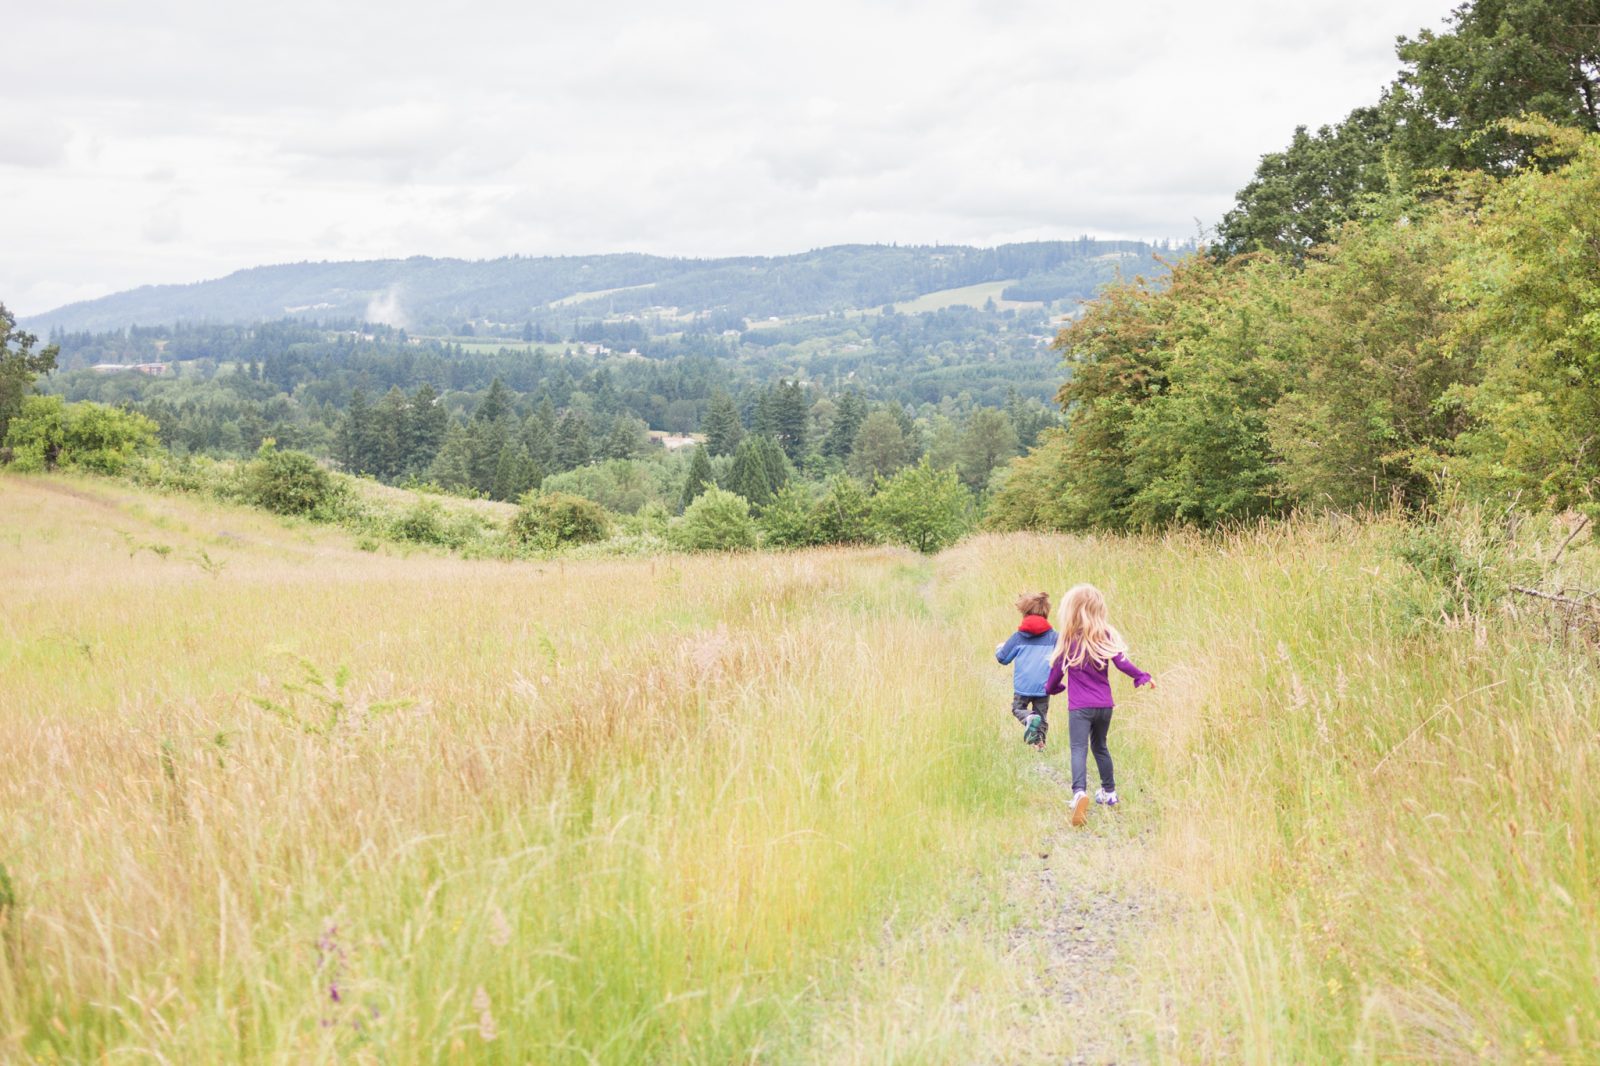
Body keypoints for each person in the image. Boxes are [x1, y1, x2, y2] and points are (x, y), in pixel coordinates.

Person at [1045, 584, 1153, 826]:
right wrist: (1141, 676)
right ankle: (1109, 792)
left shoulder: (1068, 639)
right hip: (1105, 706)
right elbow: (1123, 664)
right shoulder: (1105, 636)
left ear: (1070, 610)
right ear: (1098, 609)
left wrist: (1053, 690)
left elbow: (1054, 677)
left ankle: (1079, 793)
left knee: (1078, 748)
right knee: (1101, 746)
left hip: (1080, 708)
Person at [995, 591, 1056, 748]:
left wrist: (999, 648)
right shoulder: (1054, 637)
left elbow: (1003, 658)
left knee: (1018, 708)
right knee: (1041, 715)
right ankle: (1040, 745)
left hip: (1023, 686)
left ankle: (1028, 718)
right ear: (1046, 613)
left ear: (1024, 613)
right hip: (1044, 685)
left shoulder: (1018, 637)